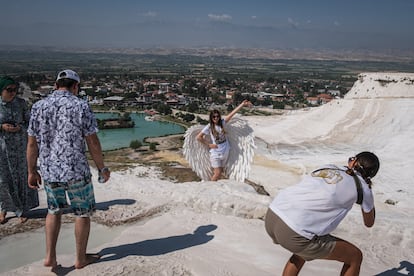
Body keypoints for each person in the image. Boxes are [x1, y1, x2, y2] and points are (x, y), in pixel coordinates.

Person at [27, 69, 111, 269]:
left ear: (56, 85)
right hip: (76, 170)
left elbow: (31, 144)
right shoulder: (81, 106)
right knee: (82, 213)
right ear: (75, 87)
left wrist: (31, 171)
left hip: (49, 170)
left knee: (53, 211)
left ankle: (50, 257)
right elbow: (93, 141)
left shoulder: (38, 107)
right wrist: (102, 168)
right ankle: (80, 258)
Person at [265, 152, 380, 276]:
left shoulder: (330, 166)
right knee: (355, 257)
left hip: (273, 215)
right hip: (294, 234)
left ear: (353, 162)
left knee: (302, 252)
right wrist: (368, 193)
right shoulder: (363, 189)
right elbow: (369, 223)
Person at [0, 76, 39, 224]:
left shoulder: (21, 104)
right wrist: (2, 127)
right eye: (9, 90)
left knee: (22, 178)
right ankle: (3, 209)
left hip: (20, 148)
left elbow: (30, 123)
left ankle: (21, 209)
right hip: (2, 150)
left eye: (15, 90)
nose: (13, 93)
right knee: (4, 180)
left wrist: (19, 128)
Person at [196, 100, 251, 181]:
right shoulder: (209, 127)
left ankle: (213, 186)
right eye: (214, 117)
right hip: (215, 153)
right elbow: (199, 137)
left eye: (217, 116)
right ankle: (209, 187)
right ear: (211, 118)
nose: (216, 118)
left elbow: (232, 114)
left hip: (225, 151)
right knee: (217, 173)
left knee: (219, 172)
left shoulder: (223, 123)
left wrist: (242, 104)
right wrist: (209, 144)